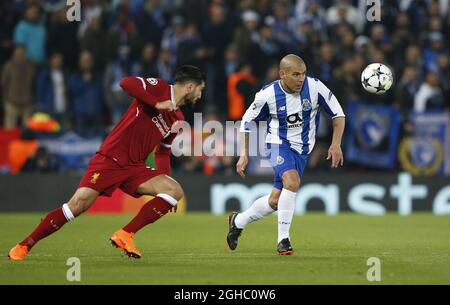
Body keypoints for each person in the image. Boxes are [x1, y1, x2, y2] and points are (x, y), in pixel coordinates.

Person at [8, 65, 206, 260]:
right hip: (111, 158)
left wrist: (164, 187)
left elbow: (163, 152)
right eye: (200, 89)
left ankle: (125, 234)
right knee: (77, 205)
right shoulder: (159, 88)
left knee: (174, 191)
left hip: (134, 167)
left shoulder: (178, 118)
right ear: (190, 86)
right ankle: (24, 245)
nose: (200, 95)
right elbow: (126, 83)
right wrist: (156, 103)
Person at [227, 54, 345, 255]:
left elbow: (338, 115)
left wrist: (336, 144)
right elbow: (246, 122)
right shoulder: (268, 94)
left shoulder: (315, 87)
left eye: (303, 74)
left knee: (276, 200)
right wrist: (244, 154)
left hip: (303, 150)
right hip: (277, 145)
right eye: (295, 74)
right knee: (292, 182)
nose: (301, 79)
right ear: (282, 74)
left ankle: (238, 221)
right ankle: (283, 240)